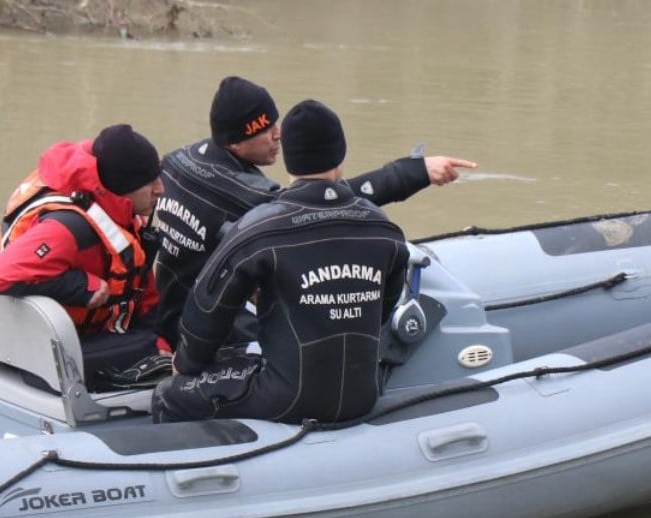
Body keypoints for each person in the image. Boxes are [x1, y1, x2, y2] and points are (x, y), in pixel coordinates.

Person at [151, 75, 476, 348]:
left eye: (275, 121)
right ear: (235, 142)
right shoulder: (246, 194)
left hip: (169, 304)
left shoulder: (179, 159)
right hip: (194, 329)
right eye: (265, 129)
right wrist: (413, 172)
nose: (278, 134)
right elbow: (326, 201)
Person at [152, 99, 409, 424]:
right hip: (364, 395)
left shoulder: (259, 229)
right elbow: (382, 310)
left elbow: (207, 307)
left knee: (168, 396)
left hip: (285, 400)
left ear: (289, 161)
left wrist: (187, 364)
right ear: (341, 157)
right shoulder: (384, 229)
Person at [0, 124, 171, 391]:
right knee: (152, 349)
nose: (160, 189)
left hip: (65, 333)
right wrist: (82, 286)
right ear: (123, 186)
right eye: (150, 181)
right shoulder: (69, 228)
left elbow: (142, 288)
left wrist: (164, 337)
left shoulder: (118, 213)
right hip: (36, 350)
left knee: (164, 340)